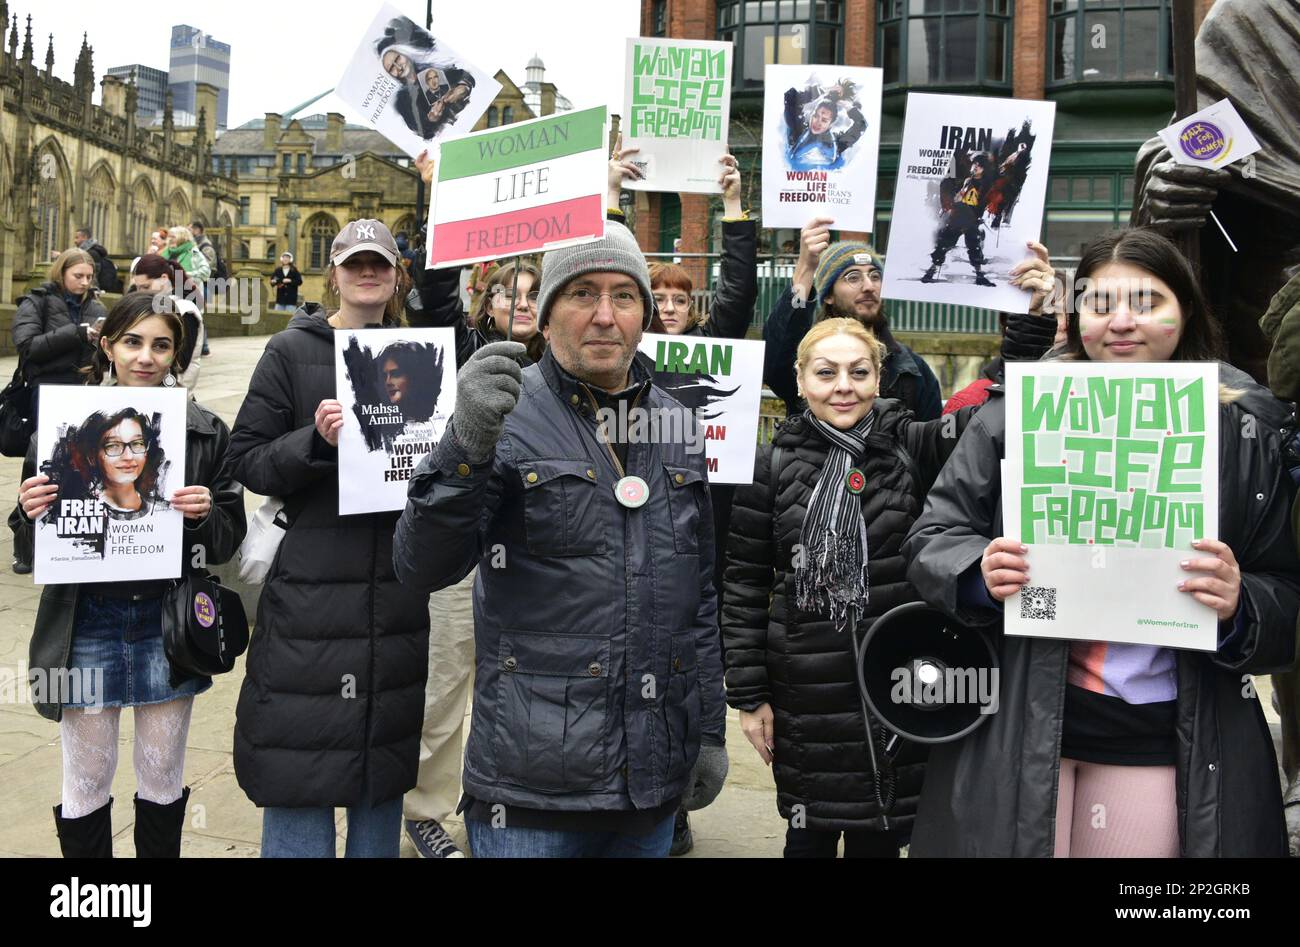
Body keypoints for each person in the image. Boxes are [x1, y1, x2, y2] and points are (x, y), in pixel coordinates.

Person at [902, 228, 1300, 857]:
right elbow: (934, 536)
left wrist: (1240, 602)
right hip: (1020, 726)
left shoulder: (1248, 429)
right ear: (1074, 312)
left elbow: (1285, 595)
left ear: (1187, 310)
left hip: (1162, 732)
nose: (1120, 321)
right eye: (1097, 301)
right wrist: (979, 570)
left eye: (1146, 301)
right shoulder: (1015, 413)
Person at [393, 222, 729, 858]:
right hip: (530, 791)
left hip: (649, 785)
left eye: (623, 296)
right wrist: (464, 446)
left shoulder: (679, 424)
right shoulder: (504, 416)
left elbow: (700, 595)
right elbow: (421, 563)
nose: (605, 315)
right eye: (581, 293)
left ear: (644, 314)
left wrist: (708, 727)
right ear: (545, 318)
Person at [724, 317, 975, 858]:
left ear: (878, 377)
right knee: (807, 835)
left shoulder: (910, 443)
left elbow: (987, 426)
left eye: (858, 372)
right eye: (826, 372)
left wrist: (1028, 336)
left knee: (881, 836)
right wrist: (749, 696)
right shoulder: (770, 464)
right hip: (802, 691)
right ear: (799, 379)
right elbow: (744, 583)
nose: (843, 385)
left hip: (897, 682)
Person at [15, 291, 246, 858]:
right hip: (84, 619)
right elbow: (29, 540)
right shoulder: (60, 428)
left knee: (162, 771)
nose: (146, 357)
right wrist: (29, 509)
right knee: (87, 776)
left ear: (177, 354)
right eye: (133, 342)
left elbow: (229, 535)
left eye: (161, 345)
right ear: (108, 346)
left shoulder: (206, 430)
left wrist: (205, 514)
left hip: (167, 622)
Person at [227, 218, 430, 858]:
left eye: (381, 263)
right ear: (334, 273)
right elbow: (247, 462)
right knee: (300, 758)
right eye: (354, 263)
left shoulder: (422, 354)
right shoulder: (291, 351)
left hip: (396, 589)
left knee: (381, 761)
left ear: (397, 275)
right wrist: (314, 442)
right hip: (310, 586)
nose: (367, 273)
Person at [608, 135, 760, 854]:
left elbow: (737, 294)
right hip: (632, 526)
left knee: (692, 671)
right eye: (655, 296)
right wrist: (611, 200)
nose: (667, 306)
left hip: (701, 531)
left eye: (676, 297)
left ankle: (677, 803)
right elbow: (598, 280)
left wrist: (734, 209)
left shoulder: (712, 350)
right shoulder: (627, 357)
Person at [763, 219, 943, 420]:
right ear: (828, 295)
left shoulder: (912, 368)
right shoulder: (808, 356)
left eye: (875, 276)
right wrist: (805, 270)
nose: (869, 286)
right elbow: (774, 366)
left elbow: (930, 442)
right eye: (853, 277)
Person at [942, 242, 1061, 415]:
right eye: (1053, 315)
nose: (1062, 324)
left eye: (1070, 315)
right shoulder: (972, 402)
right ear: (1009, 324)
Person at [129, 254, 204, 394]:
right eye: (137, 288)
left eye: (146, 286)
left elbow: (181, 363)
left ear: (164, 278)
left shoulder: (185, 310)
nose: (140, 293)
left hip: (175, 394)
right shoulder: (155, 307)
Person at [784, 78, 867, 171]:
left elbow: (862, 124)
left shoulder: (838, 143)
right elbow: (790, 97)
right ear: (811, 115)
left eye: (824, 120)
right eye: (815, 116)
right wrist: (824, 90)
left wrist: (848, 107)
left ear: (831, 125)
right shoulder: (798, 130)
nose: (817, 122)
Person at [75, 227, 122, 293]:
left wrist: (92, 290)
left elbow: (94, 275)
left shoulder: (91, 254)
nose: (75, 241)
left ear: (84, 237)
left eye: (77, 237)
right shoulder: (91, 251)